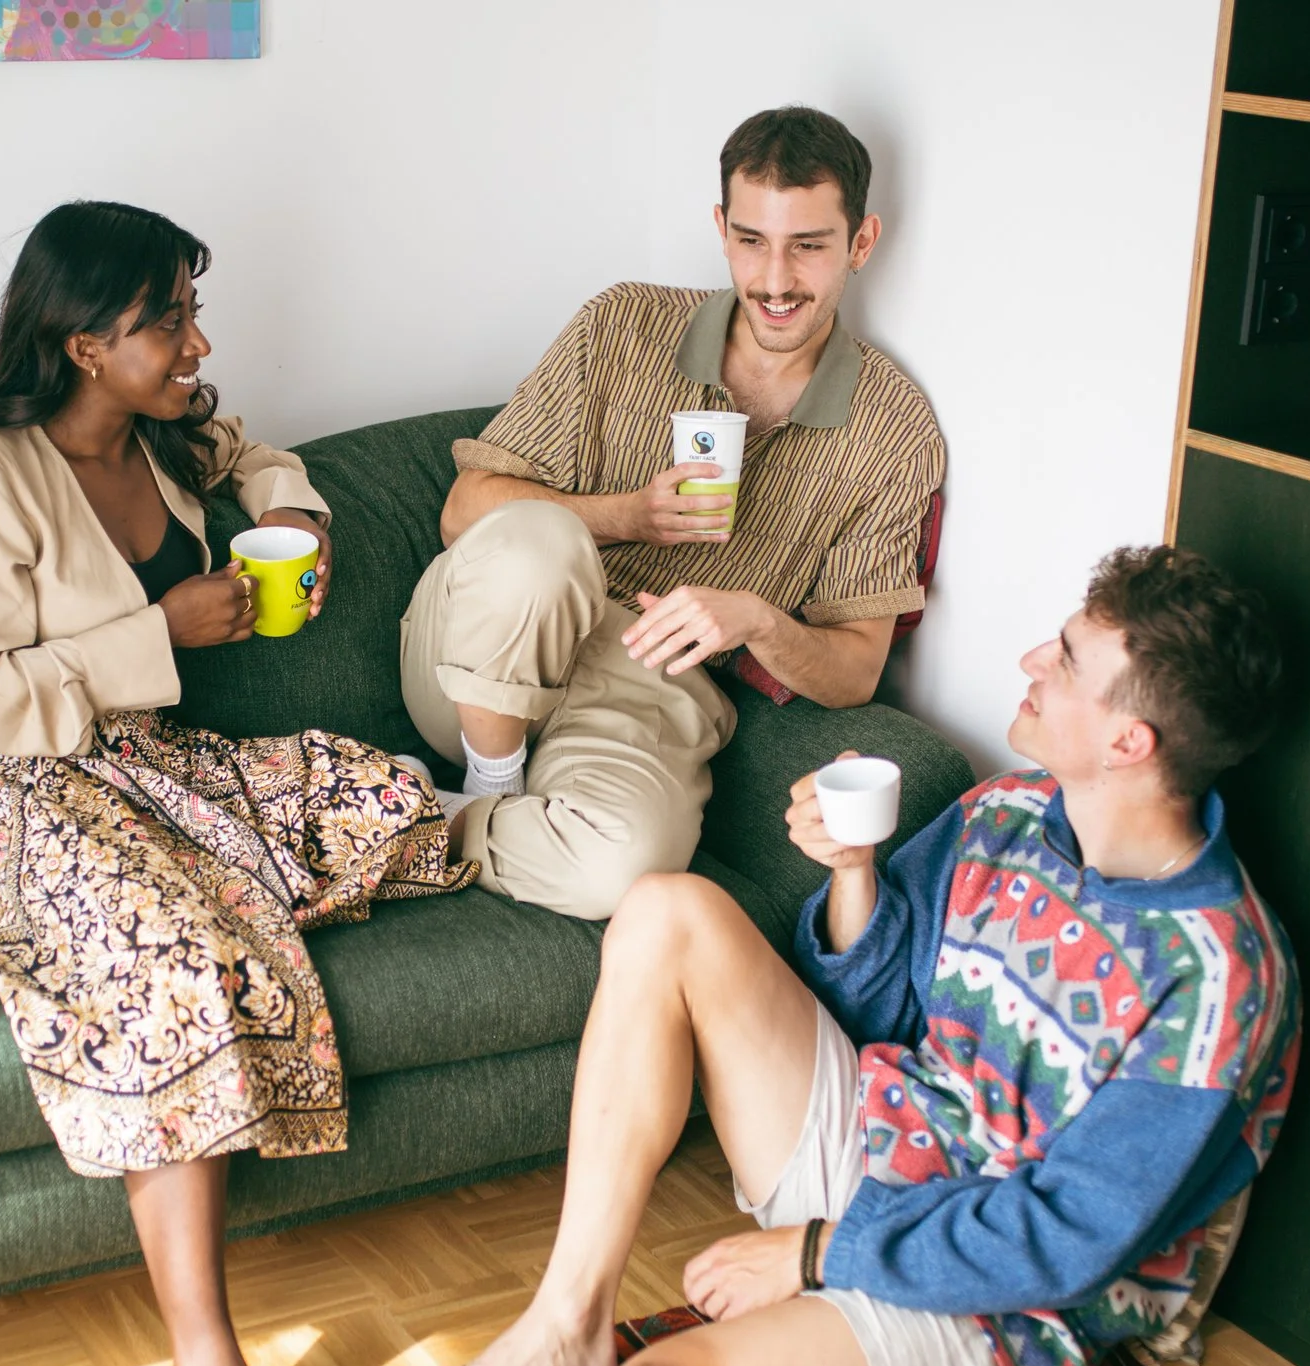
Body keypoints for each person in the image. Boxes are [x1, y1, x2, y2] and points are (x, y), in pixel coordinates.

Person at [7, 543, 1302, 1366]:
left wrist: (814, 1253)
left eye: (1066, 659)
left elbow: (1060, 1241)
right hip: (892, 1132)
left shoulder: (1219, 976)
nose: (1032, 660)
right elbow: (867, 1006)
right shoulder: (1011, 813)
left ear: (1131, 738)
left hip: (990, 1303)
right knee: (668, 907)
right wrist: (853, 879)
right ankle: (561, 1314)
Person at [0, 201, 473, 1366]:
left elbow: (266, 463)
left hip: (137, 761)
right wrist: (160, 633)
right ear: (86, 340)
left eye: (190, 312)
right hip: (6, 789)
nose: (197, 341)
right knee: (172, 965)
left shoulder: (171, 432)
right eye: (171, 319)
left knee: (383, 796)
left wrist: (305, 524)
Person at [404, 105, 948, 919]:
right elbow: (464, 514)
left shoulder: (891, 429)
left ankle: (435, 821)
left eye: (808, 245)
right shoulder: (621, 323)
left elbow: (856, 671)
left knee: (621, 874)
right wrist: (629, 515)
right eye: (753, 241)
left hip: (648, 693)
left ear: (860, 244)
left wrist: (758, 621)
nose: (774, 279)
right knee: (541, 545)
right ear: (722, 230)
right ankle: (493, 777)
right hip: (482, 656)